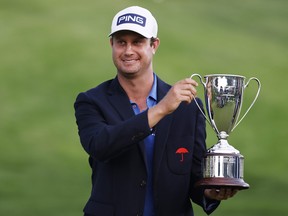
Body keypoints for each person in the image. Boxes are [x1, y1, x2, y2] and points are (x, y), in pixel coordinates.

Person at [74, 6, 238, 216]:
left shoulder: (188, 107)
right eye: (121, 42)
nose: (128, 51)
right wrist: (160, 109)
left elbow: (194, 177)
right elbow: (100, 146)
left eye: (137, 42)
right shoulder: (91, 101)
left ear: (154, 45)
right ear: (111, 45)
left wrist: (211, 193)